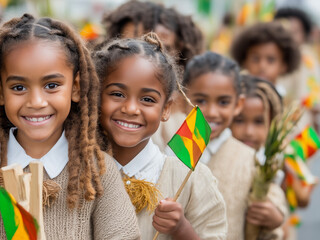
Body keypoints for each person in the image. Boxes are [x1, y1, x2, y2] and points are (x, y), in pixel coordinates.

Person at [0, 14, 140, 239]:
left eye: (52, 85)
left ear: (75, 87)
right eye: (18, 87)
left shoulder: (97, 171)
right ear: (0, 90)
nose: (36, 102)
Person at [94, 33, 227, 239]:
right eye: (117, 94)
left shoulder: (190, 179)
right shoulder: (80, 173)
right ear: (96, 96)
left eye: (147, 99)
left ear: (166, 109)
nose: (130, 108)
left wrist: (181, 229)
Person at [180, 52, 288, 240]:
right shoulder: (176, 148)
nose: (212, 112)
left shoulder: (250, 158)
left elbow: (272, 194)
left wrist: (275, 215)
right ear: (183, 99)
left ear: (238, 104)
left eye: (223, 102)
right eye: (201, 101)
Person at [102, 0, 204, 151]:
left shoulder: (196, 113)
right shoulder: (99, 113)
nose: (143, 56)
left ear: (180, 54)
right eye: (131, 45)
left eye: (158, 48)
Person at [230, 22, 300, 88]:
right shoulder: (235, 97)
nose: (262, 66)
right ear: (245, 61)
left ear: (283, 65)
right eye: (256, 59)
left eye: (271, 60)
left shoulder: (285, 100)